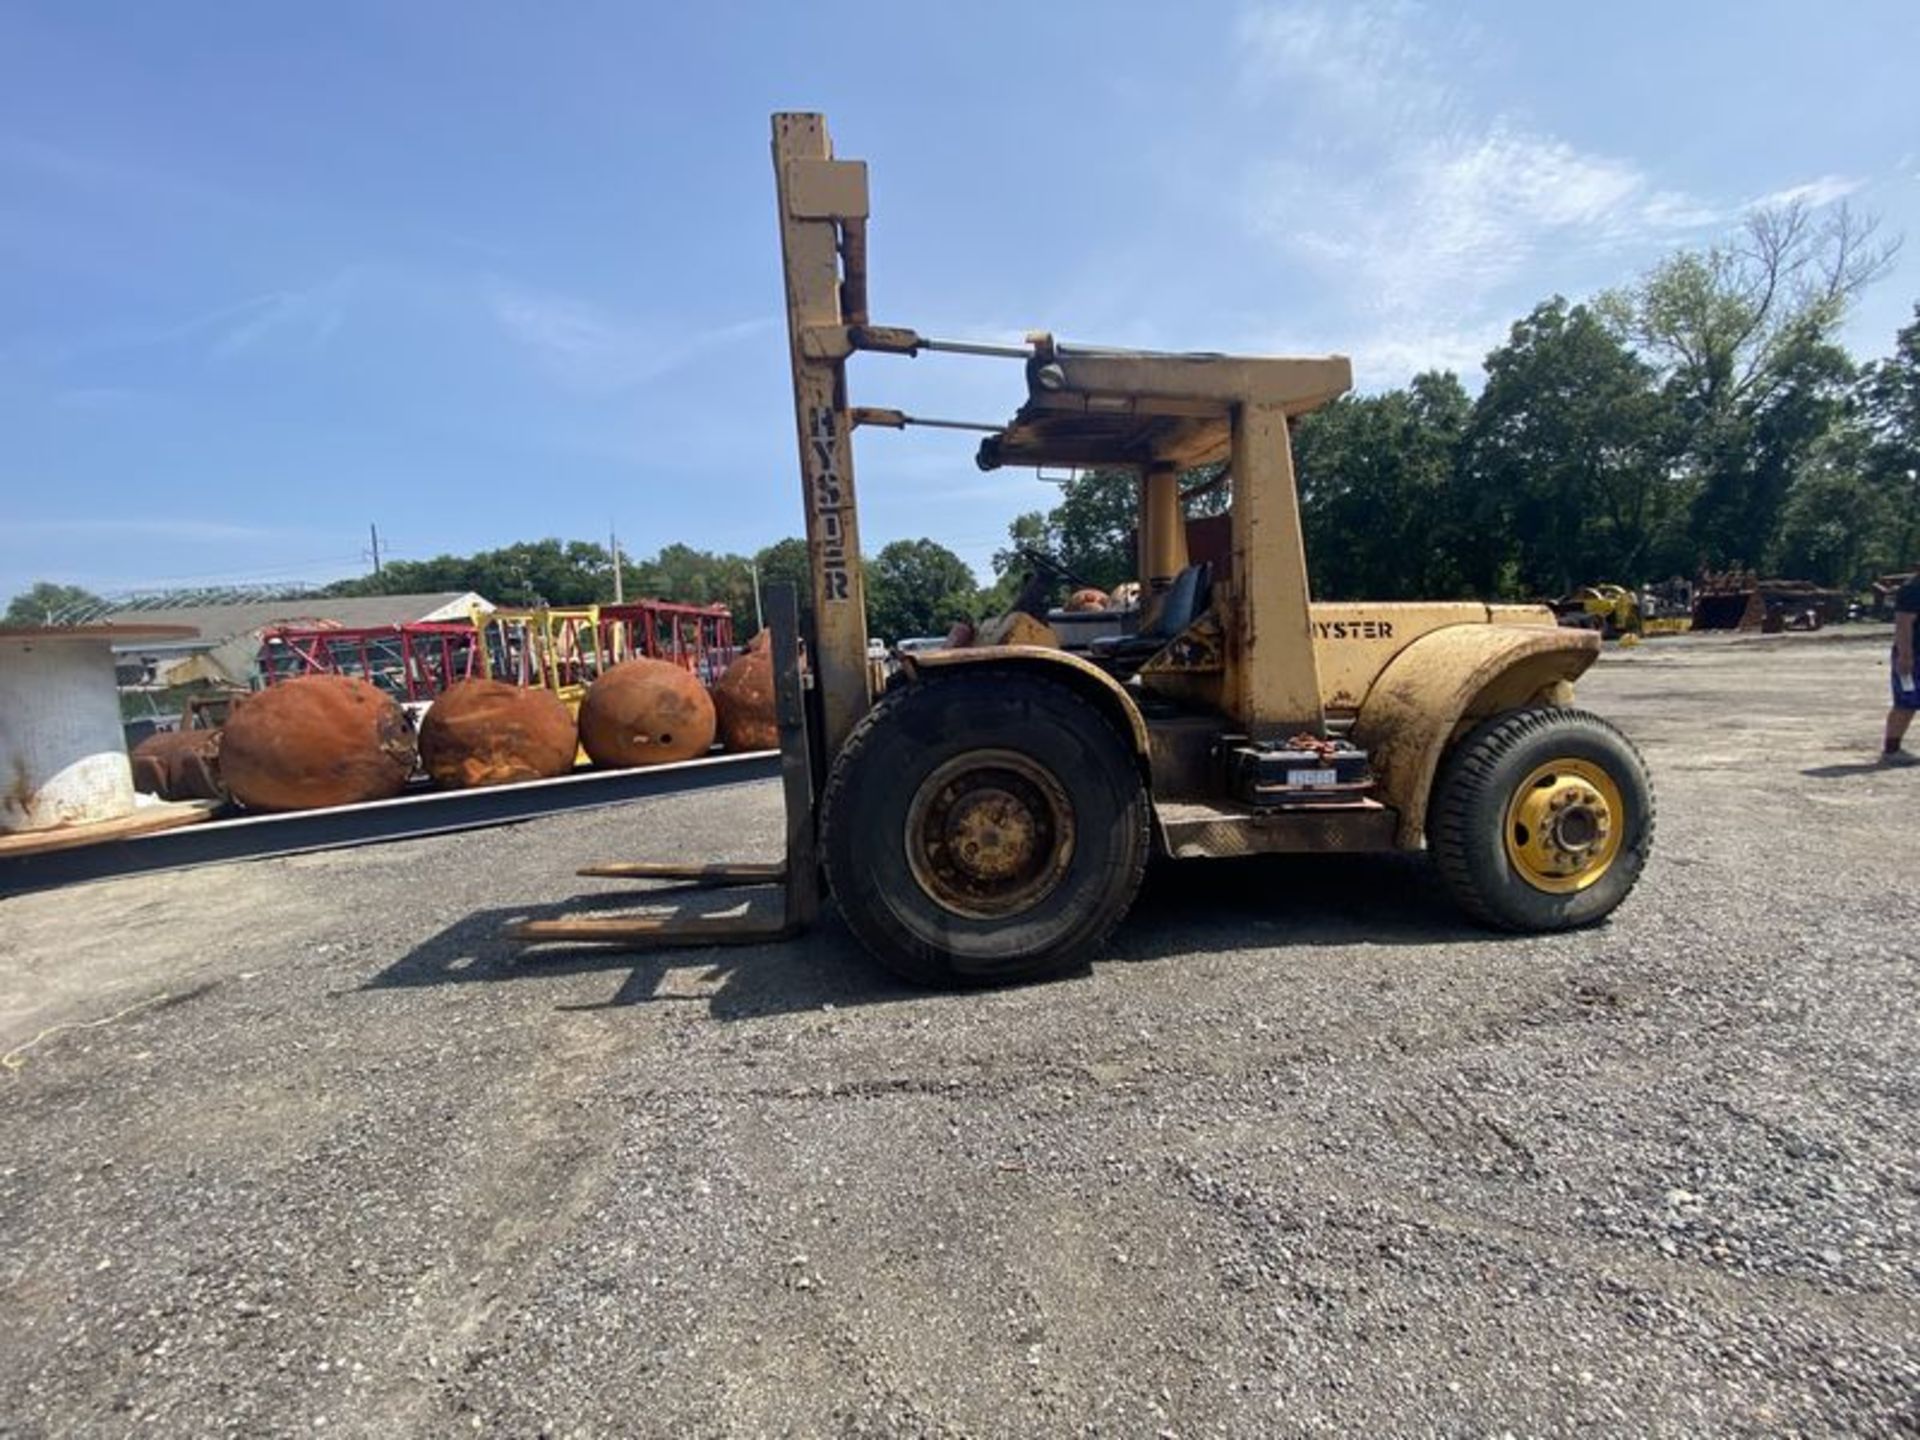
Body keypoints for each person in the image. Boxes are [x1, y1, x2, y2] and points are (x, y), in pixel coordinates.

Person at [1885, 572, 1920, 764]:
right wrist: (1906, 656)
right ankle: (1892, 749)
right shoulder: (1912, 589)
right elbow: (1904, 624)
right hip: (1914, 655)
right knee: (1906, 703)